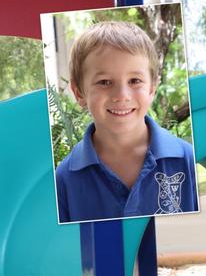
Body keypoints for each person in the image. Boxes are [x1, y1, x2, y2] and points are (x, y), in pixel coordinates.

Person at [54, 20, 197, 223]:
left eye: (134, 81)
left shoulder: (186, 160)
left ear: (152, 88)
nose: (121, 95)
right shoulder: (65, 178)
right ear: (79, 93)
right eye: (104, 82)